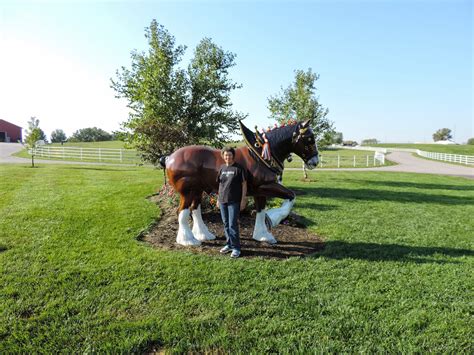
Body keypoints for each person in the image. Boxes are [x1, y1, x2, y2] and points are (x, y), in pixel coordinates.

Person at [216, 147, 247, 258]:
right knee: (226, 223)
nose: (227, 157)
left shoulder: (239, 168)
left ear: (233, 156)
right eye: (225, 155)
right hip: (223, 200)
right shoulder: (222, 168)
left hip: (234, 201)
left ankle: (236, 248)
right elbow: (220, 184)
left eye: (229, 155)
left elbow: (244, 184)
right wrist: (218, 199)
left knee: (233, 224)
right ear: (223, 156)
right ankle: (229, 244)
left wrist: (243, 199)